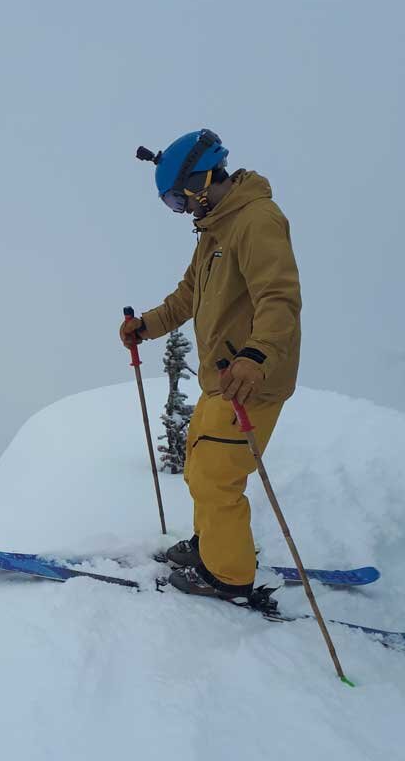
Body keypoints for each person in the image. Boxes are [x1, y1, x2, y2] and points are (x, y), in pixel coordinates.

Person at [121, 129, 301, 600]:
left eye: (178, 202)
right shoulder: (215, 229)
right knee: (201, 465)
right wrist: (147, 325)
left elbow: (279, 297)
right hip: (222, 376)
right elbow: (187, 296)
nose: (181, 212)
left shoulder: (256, 220)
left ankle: (228, 576)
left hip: (250, 380)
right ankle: (212, 546)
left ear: (201, 183)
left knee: (218, 476)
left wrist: (256, 355)